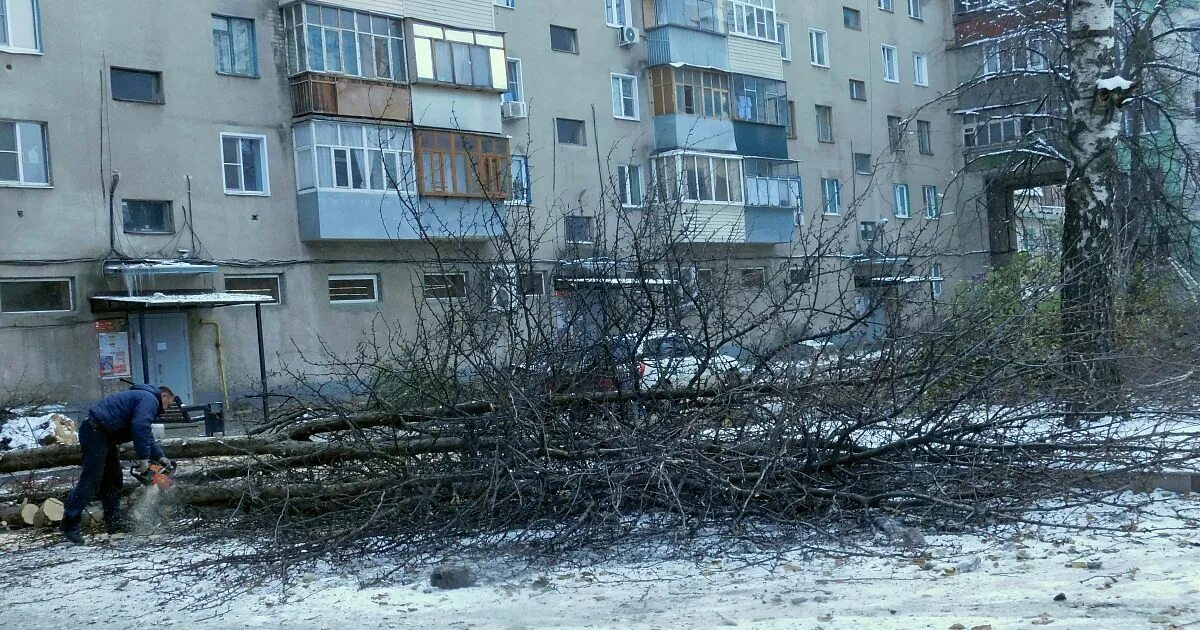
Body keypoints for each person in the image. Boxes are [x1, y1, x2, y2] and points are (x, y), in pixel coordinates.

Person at [60, 384, 176, 545]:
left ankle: (113, 522)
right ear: (164, 395)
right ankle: (70, 523)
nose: (166, 409)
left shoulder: (143, 398)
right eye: (169, 404)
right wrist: (144, 458)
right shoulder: (150, 399)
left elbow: (146, 434)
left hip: (103, 434)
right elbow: (140, 425)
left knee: (113, 479)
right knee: (91, 480)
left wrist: (160, 457)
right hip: (96, 431)